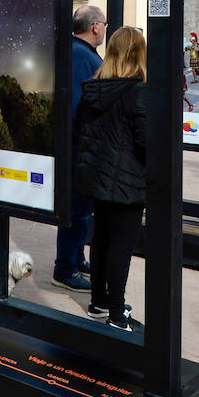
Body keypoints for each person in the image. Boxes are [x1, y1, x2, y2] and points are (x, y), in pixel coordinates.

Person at [74, 26, 148, 332]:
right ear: (137, 54)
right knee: (121, 245)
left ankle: (98, 302)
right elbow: (146, 141)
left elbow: (82, 131)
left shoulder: (93, 88)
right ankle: (117, 315)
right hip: (127, 182)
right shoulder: (137, 91)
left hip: (97, 179)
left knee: (102, 238)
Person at [53, 4, 104, 292]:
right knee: (77, 210)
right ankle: (65, 268)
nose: (104, 29)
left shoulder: (76, 52)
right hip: (79, 149)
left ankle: (76, 258)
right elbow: (77, 107)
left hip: (79, 147)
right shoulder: (82, 57)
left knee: (82, 208)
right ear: (95, 26)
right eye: (104, 24)